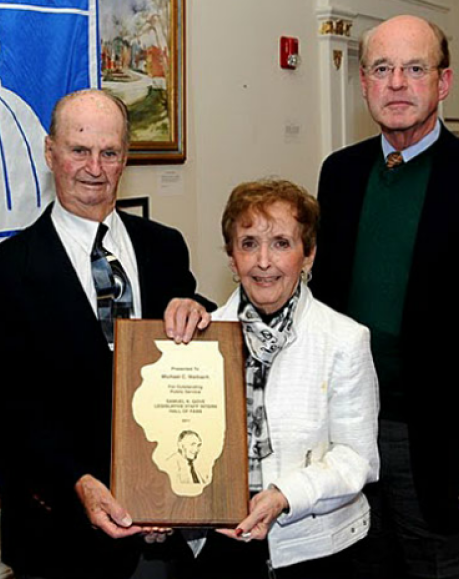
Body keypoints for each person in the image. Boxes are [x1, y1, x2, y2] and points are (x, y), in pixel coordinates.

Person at [313, 14, 459, 579]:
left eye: (414, 68)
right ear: (364, 83)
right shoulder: (340, 176)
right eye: (381, 69)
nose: (396, 83)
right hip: (348, 442)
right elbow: (320, 307)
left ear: (443, 83)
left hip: (454, 455)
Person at [0, 88, 213, 579]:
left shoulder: (165, 247)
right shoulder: (4, 271)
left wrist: (197, 310)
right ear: (50, 153)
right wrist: (75, 481)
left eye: (109, 153)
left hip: (162, 529)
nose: (94, 167)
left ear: (125, 158)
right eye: (78, 150)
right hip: (58, 534)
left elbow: (200, 351)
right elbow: (8, 406)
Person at [178, 179, 379, 579]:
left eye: (282, 243)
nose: (263, 261)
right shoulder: (197, 338)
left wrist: (287, 496)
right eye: (249, 243)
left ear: (308, 256)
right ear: (232, 259)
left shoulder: (344, 339)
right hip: (219, 547)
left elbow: (357, 459)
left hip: (315, 550)